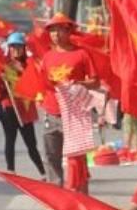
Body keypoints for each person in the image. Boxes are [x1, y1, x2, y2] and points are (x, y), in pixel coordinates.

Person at [39, 13, 98, 192]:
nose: (55, 35)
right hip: (52, 111)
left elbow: (95, 81)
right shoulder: (47, 56)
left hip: (74, 115)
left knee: (77, 158)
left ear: (68, 31)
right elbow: (42, 81)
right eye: (52, 31)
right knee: (51, 157)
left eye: (59, 31)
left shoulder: (81, 54)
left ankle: (81, 197)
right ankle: (56, 199)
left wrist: (78, 84)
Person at [0, 32, 46, 177]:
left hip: (25, 108)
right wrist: (1, 79)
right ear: (9, 48)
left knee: (31, 143)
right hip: (8, 107)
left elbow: (37, 81)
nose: (16, 50)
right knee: (10, 139)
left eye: (19, 47)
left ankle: (43, 173)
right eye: (13, 47)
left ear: (24, 48)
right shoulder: (3, 65)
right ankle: (11, 170)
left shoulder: (30, 64)